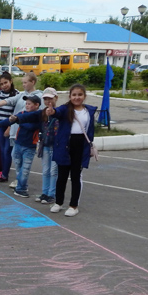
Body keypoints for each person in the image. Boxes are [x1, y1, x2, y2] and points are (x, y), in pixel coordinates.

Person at [46, 84, 97, 217]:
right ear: (70, 96)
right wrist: (52, 112)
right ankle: (58, 202)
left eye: (80, 95)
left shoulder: (88, 111)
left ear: (84, 96)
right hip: (64, 145)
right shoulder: (65, 109)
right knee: (61, 176)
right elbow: (57, 112)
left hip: (80, 146)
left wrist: (90, 145)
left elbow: (90, 131)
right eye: (74, 95)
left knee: (75, 176)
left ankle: (73, 205)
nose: (77, 97)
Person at [0, 72, 42, 188]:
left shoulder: (39, 97)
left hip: (29, 135)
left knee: (24, 161)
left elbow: (40, 116)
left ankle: (21, 185)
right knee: (17, 158)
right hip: (17, 131)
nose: (23, 85)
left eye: (25, 82)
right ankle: (18, 180)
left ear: (33, 82)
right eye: (22, 82)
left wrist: (9, 125)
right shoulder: (22, 95)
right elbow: (8, 101)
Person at [0, 94, 42, 198]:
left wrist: (19, 121)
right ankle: (22, 186)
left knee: (25, 169)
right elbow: (10, 120)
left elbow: (31, 126)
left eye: (29, 104)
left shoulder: (38, 116)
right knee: (19, 167)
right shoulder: (22, 114)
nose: (27, 105)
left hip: (29, 147)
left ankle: (21, 189)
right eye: (26, 103)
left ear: (37, 105)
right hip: (18, 144)